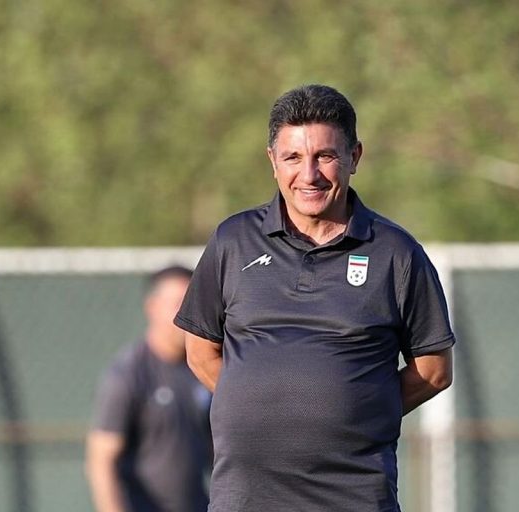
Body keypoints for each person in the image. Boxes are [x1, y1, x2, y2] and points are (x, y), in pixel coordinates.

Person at [174, 84, 455, 512]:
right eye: (292, 157)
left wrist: (357, 411)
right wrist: (263, 408)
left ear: (354, 157)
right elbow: (200, 352)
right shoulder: (233, 240)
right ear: (273, 161)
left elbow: (434, 372)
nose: (309, 175)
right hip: (245, 499)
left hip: (353, 499)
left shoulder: (396, 253)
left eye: (325, 156)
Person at [86, 266, 212, 512]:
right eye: (178, 304)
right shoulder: (128, 374)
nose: (189, 315)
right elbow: (100, 461)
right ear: (152, 307)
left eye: (193, 305)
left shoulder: (202, 367)